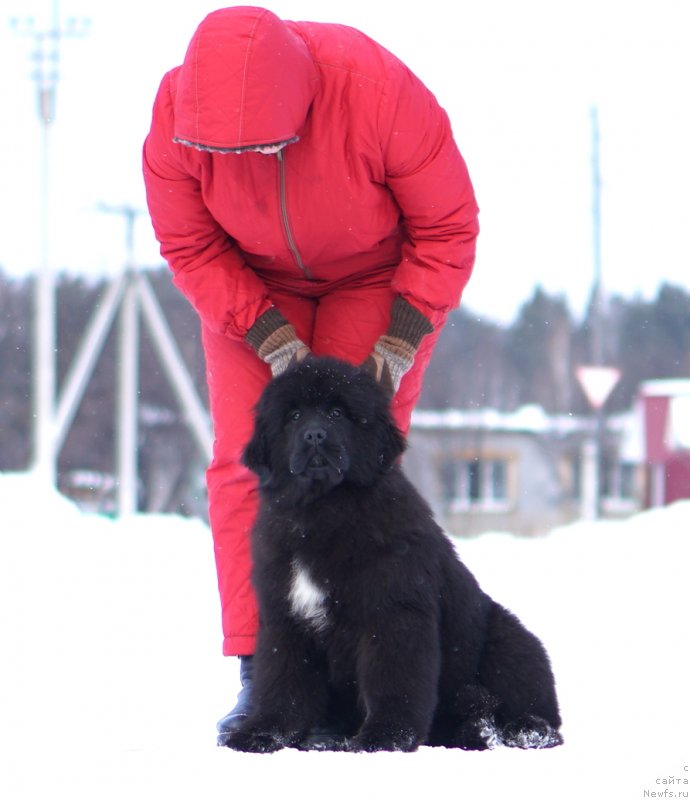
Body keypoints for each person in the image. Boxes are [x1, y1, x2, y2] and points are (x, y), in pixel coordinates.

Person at [142, 5, 479, 743]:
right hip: (249, 287)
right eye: (232, 155)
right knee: (248, 465)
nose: (251, 167)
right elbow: (190, 242)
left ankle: (366, 671)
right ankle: (262, 675)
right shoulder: (172, 119)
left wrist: (399, 342)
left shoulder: (379, 92)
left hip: (373, 277)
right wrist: (263, 331)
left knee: (355, 469)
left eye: (266, 147)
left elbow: (448, 227)